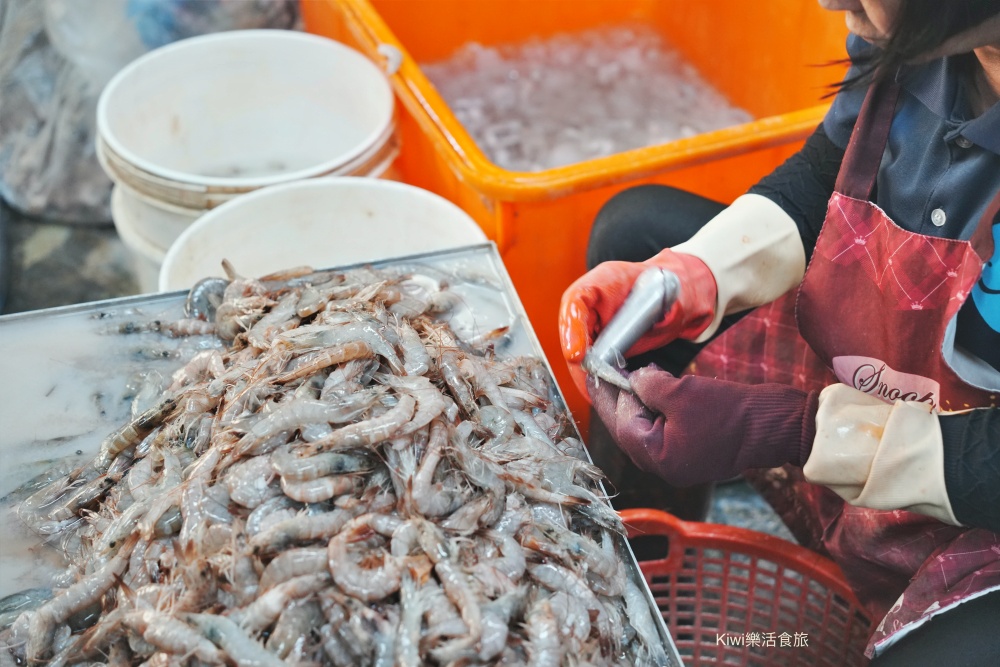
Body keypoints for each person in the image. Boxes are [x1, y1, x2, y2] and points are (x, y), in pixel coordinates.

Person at [559, 1, 1000, 664]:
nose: (829, 2)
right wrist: (695, 276)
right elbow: (829, 170)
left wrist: (795, 429)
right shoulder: (921, 40)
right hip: (896, 378)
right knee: (637, 232)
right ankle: (639, 597)